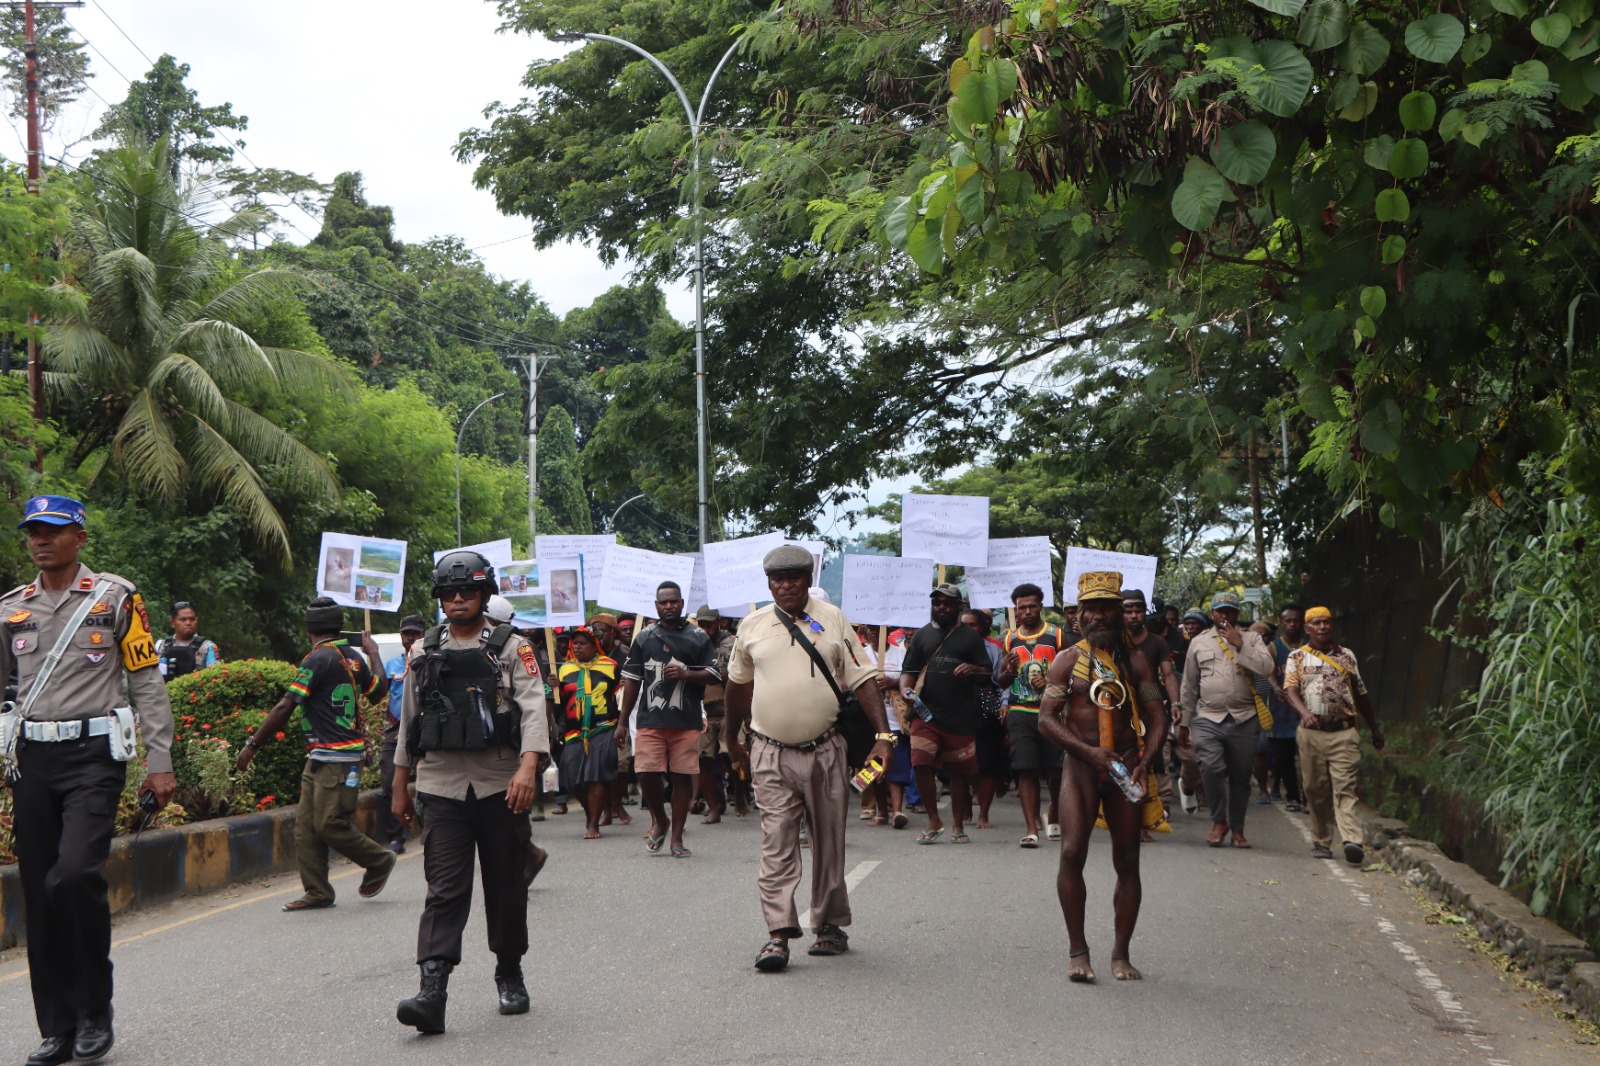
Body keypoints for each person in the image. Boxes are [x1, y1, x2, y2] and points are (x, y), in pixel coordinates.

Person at [2, 495, 177, 1066]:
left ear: (79, 535)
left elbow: (145, 678)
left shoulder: (116, 598)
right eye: (33, 531)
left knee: (73, 875)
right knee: (39, 891)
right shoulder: (10, 610)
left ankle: (94, 1009)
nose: (40, 540)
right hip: (31, 762)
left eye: (52, 530)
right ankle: (56, 1026)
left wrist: (160, 760)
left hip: (93, 760)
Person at [388, 550, 550, 1033]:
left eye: (469, 591)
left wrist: (528, 768)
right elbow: (409, 725)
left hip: (502, 784)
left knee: (505, 886)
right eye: (450, 592)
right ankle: (432, 991)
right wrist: (399, 784)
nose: (459, 599)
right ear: (440, 598)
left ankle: (509, 972)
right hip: (441, 785)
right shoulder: (423, 651)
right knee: (444, 891)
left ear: (485, 593)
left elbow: (534, 709)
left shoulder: (512, 646)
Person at [725, 544, 895, 972]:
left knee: (829, 840)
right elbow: (737, 686)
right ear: (769, 584)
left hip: (826, 748)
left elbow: (864, 678)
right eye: (777, 580)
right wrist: (732, 737)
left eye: (794, 578)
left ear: (806, 579)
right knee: (777, 841)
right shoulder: (752, 626)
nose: (786, 586)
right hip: (769, 751)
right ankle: (777, 935)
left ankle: (831, 926)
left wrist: (883, 736)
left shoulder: (833, 618)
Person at [1038, 571, 1168, 983]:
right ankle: (1078, 951)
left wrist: (1145, 761)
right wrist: (1088, 752)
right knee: (1072, 852)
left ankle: (1121, 953)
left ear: (1118, 613)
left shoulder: (1138, 662)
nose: (1097, 616)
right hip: (1081, 767)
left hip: (1126, 768)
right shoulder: (1066, 661)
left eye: (1105, 609)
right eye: (1089, 609)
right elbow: (1046, 720)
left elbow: (1158, 716)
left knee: (1128, 860)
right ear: (1078, 616)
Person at [236, 598, 395, 912]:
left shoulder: (318, 659)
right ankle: (318, 891)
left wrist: (253, 744)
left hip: (338, 758)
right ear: (337, 625)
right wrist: (373, 653)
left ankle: (378, 860)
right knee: (306, 827)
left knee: (328, 823)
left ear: (309, 628)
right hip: (323, 756)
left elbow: (285, 706)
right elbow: (378, 693)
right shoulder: (352, 657)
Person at [618, 581, 720, 858]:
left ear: (681, 603)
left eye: (673, 601)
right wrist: (621, 722)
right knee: (646, 772)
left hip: (686, 719)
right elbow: (631, 681)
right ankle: (659, 819)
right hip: (650, 718)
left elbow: (715, 674)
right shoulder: (644, 637)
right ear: (656, 606)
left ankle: (676, 837)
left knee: (681, 778)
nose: (668, 606)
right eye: (663, 602)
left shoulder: (698, 636)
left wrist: (687, 674)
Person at [1284, 606, 1385, 864]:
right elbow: (1291, 691)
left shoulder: (1346, 656)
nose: (1322, 627)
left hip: (1344, 732)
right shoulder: (1296, 657)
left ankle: (1352, 839)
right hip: (1311, 734)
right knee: (1315, 789)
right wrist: (1304, 713)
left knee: (1346, 788)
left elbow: (1360, 693)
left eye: (1326, 622)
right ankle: (1320, 839)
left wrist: (1374, 728)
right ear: (1307, 628)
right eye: (1316, 623)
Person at [897, 583, 991, 845]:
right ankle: (933, 819)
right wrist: (906, 690)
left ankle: (958, 825)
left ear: (958, 607)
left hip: (960, 717)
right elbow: (909, 671)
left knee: (958, 772)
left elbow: (986, 675)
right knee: (921, 763)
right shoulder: (921, 636)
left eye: (947, 603)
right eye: (937, 602)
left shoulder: (971, 638)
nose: (941, 607)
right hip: (925, 716)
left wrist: (972, 669)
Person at [1179, 591, 1274, 849]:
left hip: (1245, 718)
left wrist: (1239, 644)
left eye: (1230, 611)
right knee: (1210, 767)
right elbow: (1189, 685)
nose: (1225, 616)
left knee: (1241, 776)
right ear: (1213, 614)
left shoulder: (1252, 638)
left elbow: (1267, 669)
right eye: (1220, 611)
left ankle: (1238, 829)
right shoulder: (1199, 642)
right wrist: (1184, 722)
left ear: (1237, 614)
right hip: (1208, 716)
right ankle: (1219, 821)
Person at [997, 582, 1066, 849]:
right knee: (1026, 770)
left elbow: (1071, 676)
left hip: (1052, 713)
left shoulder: (1058, 636)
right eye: (1021, 607)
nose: (1027, 611)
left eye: (1031, 606)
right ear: (1015, 609)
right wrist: (1010, 671)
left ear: (1041, 606)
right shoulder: (1009, 639)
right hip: (1020, 713)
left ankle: (1055, 812)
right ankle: (1031, 828)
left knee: (1057, 770)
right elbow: (1001, 682)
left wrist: (1050, 681)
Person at [1123, 589, 1179, 840]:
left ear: (1145, 611)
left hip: (1148, 708)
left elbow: (1168, 674)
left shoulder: (1157, 643)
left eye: (1138, 610)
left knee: (1146, 764)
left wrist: (1175, 703)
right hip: (1118, 708)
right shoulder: (1112, 639)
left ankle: (1144, 822)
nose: (1134, 615)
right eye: (1128, 610)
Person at [556, 626, 620, 839]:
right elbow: (559, 702)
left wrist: (623, 726)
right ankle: (589, 812)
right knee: (573, 778)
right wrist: (553, 687)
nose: (577, 646)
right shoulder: (564, 669)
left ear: (595, 646)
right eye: (575, 643)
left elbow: (621, 696)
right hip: (574, 730)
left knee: (596, 775)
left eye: (583, 643)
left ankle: (594, 823)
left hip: (603, 727)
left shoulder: (610, 666)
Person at [379, 614, 430, 853]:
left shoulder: (430, 660)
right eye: (406, 634)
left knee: (430, 782)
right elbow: (377, 693)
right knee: (389, 783)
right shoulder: (392, 666)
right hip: (395, 731)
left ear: (423, 635)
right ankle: (395, 837)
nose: (409, 638)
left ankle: (430, 829)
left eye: (415, 634)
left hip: (424, 729)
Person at [961, 608, 1009, 829]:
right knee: (963, 763)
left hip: (987, 713)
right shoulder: (950, 647)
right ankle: (967, 801)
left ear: (982, 626)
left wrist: (1004, 704)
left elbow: (1003, 681)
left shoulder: (994, 649)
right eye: (964, 625)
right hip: (957, 713)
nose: (969, 630)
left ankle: (984, 814)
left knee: (987, 764)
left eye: (974, 625)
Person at [693, 606, 736, 824]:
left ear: (719, 622)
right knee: (704, 760)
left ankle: (739, 794)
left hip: (729, 709)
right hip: (704, 711)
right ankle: (714, 807)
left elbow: (737, 676)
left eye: (710, 623)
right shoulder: (695, 644)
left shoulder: (732, 643)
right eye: (702, 624)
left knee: (731, 756)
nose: (706, 628)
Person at [1268, 604, 1307, 812]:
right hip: (1282, 709)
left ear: (1302, 623)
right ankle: (1293, 796)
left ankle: (1309, 798)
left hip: (1306, 708)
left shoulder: (1310, 645)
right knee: (1284, 757)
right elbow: (1268, 671)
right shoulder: (1275, 647)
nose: (1292, 624)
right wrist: (1275, 687)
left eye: (1296, 620)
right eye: (1288, 621)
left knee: (1309, 756)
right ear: (1281, 623)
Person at [155, 601, 220, 682]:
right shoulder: (161, 646)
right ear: (172, 622)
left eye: (192, 619)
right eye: (183, 619)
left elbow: (215, 678)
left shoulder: (207, 647)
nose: (188, 623)